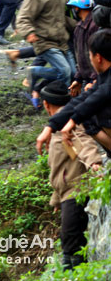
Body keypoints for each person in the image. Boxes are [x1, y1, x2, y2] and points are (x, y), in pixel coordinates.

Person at [38, 80, 102, 270]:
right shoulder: (58, 127)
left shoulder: (69, 124)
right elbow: (59, 170)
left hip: (76, 194)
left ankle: (76, 274)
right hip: (67, 195)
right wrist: (56, 200)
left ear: (46, 104)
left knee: (71, 247)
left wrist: (94, 163)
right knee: (70, 243)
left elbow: (84, 142)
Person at [37, 28, 111, 156]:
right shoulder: (103, 77)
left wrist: (73, 120)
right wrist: (52, 125)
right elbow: (84, 98)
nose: (90, 58)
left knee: (93, 110)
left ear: (98, 57)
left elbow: (100, 95)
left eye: (89, 54)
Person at [16, 0, 76, 109]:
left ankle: (64, 101)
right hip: (44, 40)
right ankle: (64, 105)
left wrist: (79, 26)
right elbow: (23, 17)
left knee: (73, 73)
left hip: (61, 39)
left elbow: (60, 16)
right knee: (65, 71)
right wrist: (28, 32)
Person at [67, 0, 99, 97]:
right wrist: (78, 78)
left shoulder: (94, 26)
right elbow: (80, 56)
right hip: (88, 80)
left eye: (73, 7)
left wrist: (94, 80)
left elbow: (98, 55)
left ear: (77, 8)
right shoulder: (78, 28)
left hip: (96, 80)